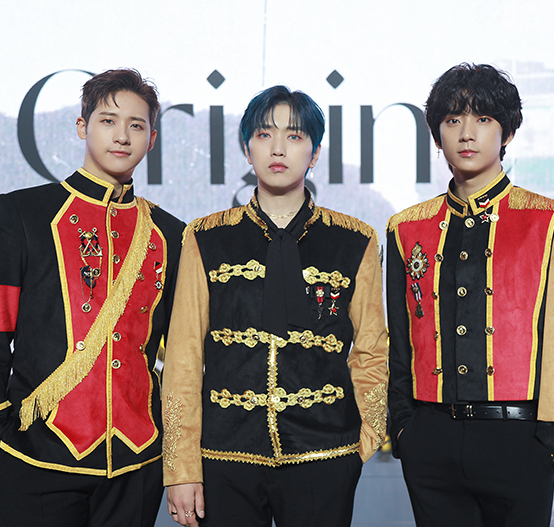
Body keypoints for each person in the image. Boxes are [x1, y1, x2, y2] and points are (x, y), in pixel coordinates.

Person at [386, 63, 554, 526]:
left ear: (507, 132)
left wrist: (551, 440)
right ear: (437, 136)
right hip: (431, 439)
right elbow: (399, 337)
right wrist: (406, 427)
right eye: (453, 120)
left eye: (483, 119)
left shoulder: (551, 223)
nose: (467, 133)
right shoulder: (406, 228)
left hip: (519, 439)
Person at [0, 68, 184, 527]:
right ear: (82, 127)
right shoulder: (20, 213)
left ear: (152, 139)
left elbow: (181, 350)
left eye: (136, 125)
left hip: (137, 461)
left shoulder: (170, 234)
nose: (121, 136)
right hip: (35, 455)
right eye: (108, 121)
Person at [161, 85, 388, 527]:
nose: (278, 148)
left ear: (315, 152)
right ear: (247, 149)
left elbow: (371, 350)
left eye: (295, 136)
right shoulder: (205, 238)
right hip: (224, 456)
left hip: (325, 453)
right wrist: (181, 466)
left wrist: (366, 437)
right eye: (264, 135)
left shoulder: (354, 240)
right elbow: (183, 357)